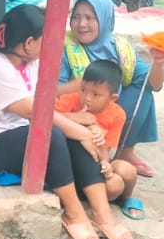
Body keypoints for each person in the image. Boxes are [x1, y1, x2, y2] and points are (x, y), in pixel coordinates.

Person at [0, 4, 133, 239]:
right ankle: (74, 213)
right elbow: (33, 112)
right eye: (47, 39)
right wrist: (79, 130)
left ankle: (102, 214)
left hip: (22, 131)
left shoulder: (31, 63)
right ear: (29, 43)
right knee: (53, 134)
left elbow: (44, 105)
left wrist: (79, 125)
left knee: (72, 132)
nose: (52, 45)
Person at [58, 0, 164, 177]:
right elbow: (54, 92)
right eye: (76, 17)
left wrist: (158, 63)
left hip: (106, 109)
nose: (81, 24)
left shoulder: (120, 48)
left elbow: (154, 85)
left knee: (142, 92)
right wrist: (83, 86)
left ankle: (125, 152)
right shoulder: (64, 46)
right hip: (76, 111)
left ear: (105, 19)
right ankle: (98, 156)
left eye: (89, 18)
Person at [55, 59, 140, 217]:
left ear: (112, 98)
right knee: (113, 187)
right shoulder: (69, 100)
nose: (87, 98)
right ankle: (91, 200)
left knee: (126, 172)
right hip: (70, 166)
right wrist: (76, 118)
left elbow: (106, 150)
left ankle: (126, 198)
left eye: (96, 94)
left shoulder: (117, 114)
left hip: (97, 162)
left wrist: (105, 164)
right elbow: (48, 118)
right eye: (83, 90)